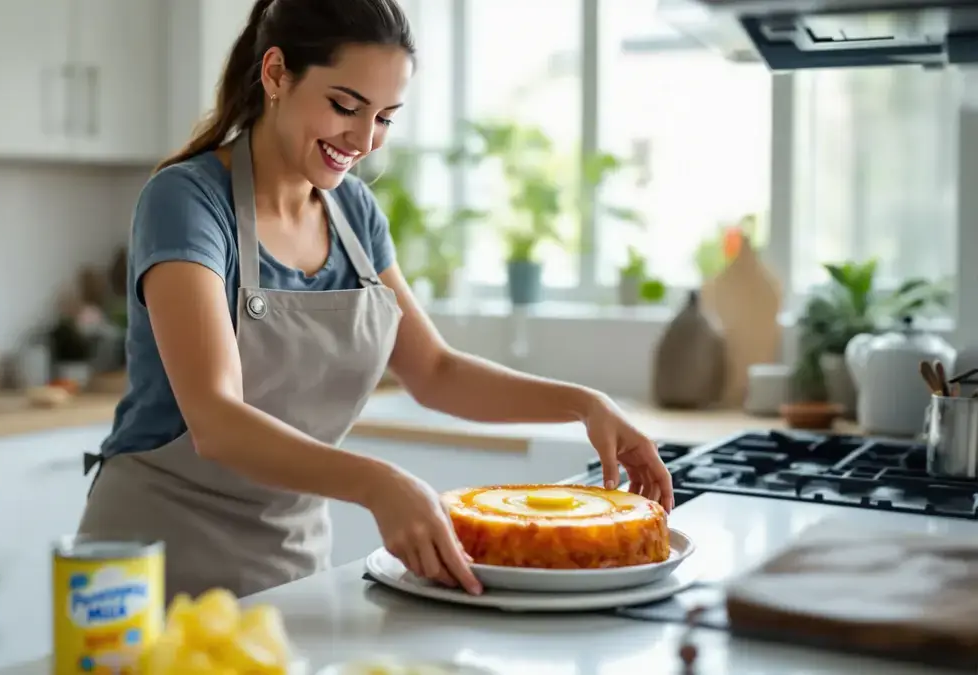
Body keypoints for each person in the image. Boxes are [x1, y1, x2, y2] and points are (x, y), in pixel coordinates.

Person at [78, 0, 674, 603]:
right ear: (277, 74)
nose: (363, 141)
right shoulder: (186, 201)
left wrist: (583, 403)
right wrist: (378, 483)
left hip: (291, 566)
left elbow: (434, 371)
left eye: (385, 117)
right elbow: (215, 419)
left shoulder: (355, 213)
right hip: (154, 563)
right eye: (344, 106)